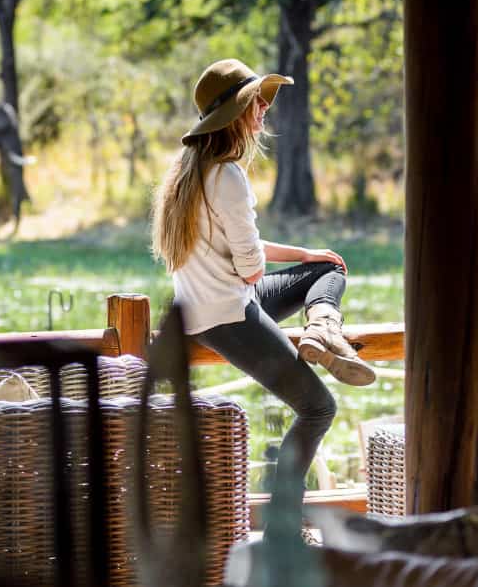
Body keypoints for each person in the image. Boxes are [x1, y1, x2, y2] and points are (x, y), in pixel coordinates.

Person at [151, 58, 377, 489]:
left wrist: (305, 253)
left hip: (202, 310)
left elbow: (238, 252)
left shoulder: (188, 172)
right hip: (229, 317)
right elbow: (252, 269)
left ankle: (323, 328)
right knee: (318, 409)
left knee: (325, 266)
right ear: (234, 115)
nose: (263, 110)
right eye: (256, 103)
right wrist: (261, 263)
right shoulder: (229, 178)